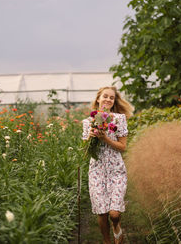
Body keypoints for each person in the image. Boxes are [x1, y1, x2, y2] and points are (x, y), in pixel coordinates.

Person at [82, 86, 133, 244]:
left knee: (114, 214)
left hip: (116, 169)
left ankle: (116, 226)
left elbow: (123, 147)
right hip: (97, 170)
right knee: (102, 213)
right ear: (98, 98)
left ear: (114, 101)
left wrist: (106, 139)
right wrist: (89, 138)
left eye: (112, 98)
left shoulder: (119, 119)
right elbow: (85, 151)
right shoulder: (88, 122)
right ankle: (107, 241)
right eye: (105, 96)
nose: (108, 100)